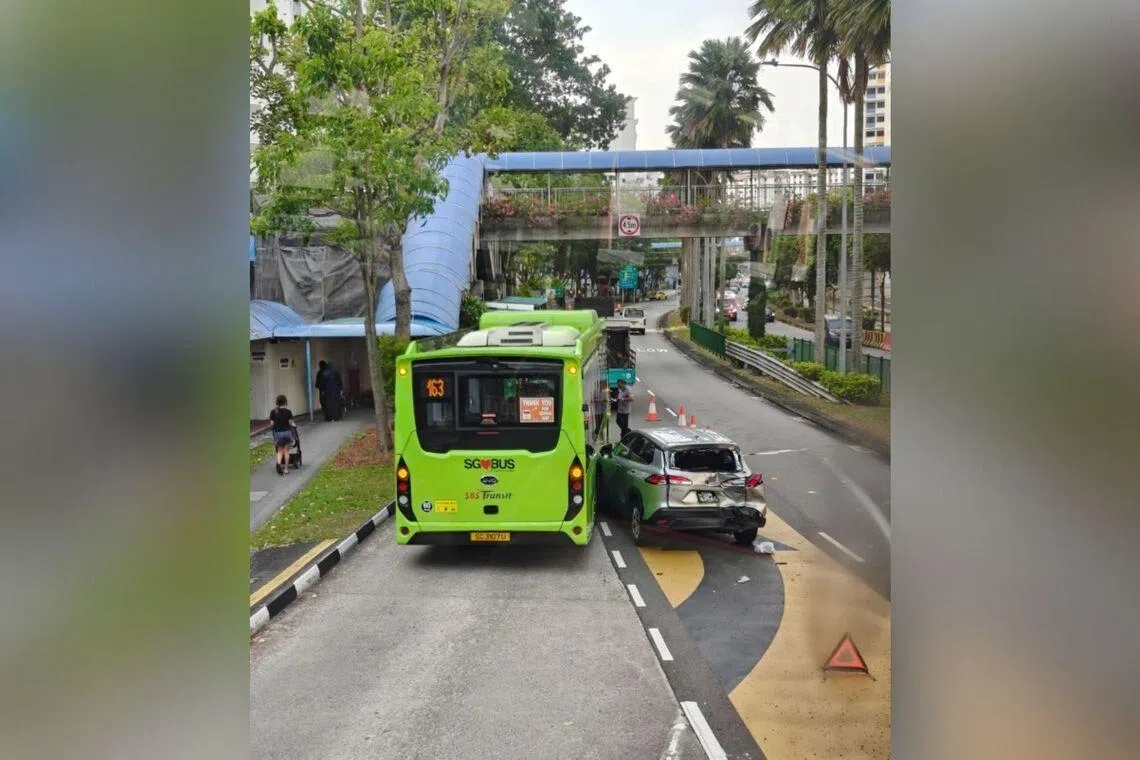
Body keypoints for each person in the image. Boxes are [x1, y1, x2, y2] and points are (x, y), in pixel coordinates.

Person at [270, 394, 298, 475]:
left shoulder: (273, 412)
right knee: (286, 451)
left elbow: (271, 424)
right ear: (285, 402)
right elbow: (291, 423)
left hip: (278, 433)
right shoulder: (288, 412)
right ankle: (286, 469)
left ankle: (278, 464)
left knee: (279, 451)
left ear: (277, 402)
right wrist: (294, 425)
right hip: (287, 433)